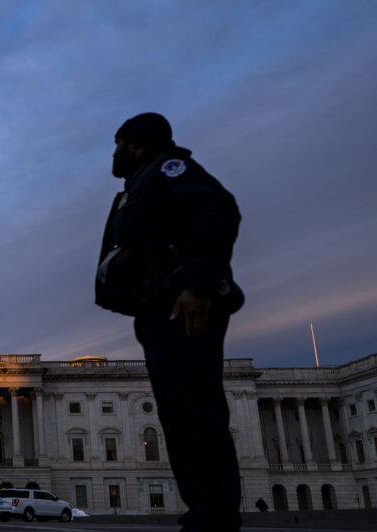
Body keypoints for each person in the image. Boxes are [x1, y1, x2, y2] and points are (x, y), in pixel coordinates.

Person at [95, 113, 243, 532]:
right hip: (158, 310)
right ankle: (204, 510)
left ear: (137, 144)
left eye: (118, 143)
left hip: (184, 308)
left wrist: (198, 285)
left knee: (195, 412)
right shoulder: (137, 185)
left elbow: (218, 210)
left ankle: (215, 515)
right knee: (179, 416)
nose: (113, 152)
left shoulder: (167, 169)